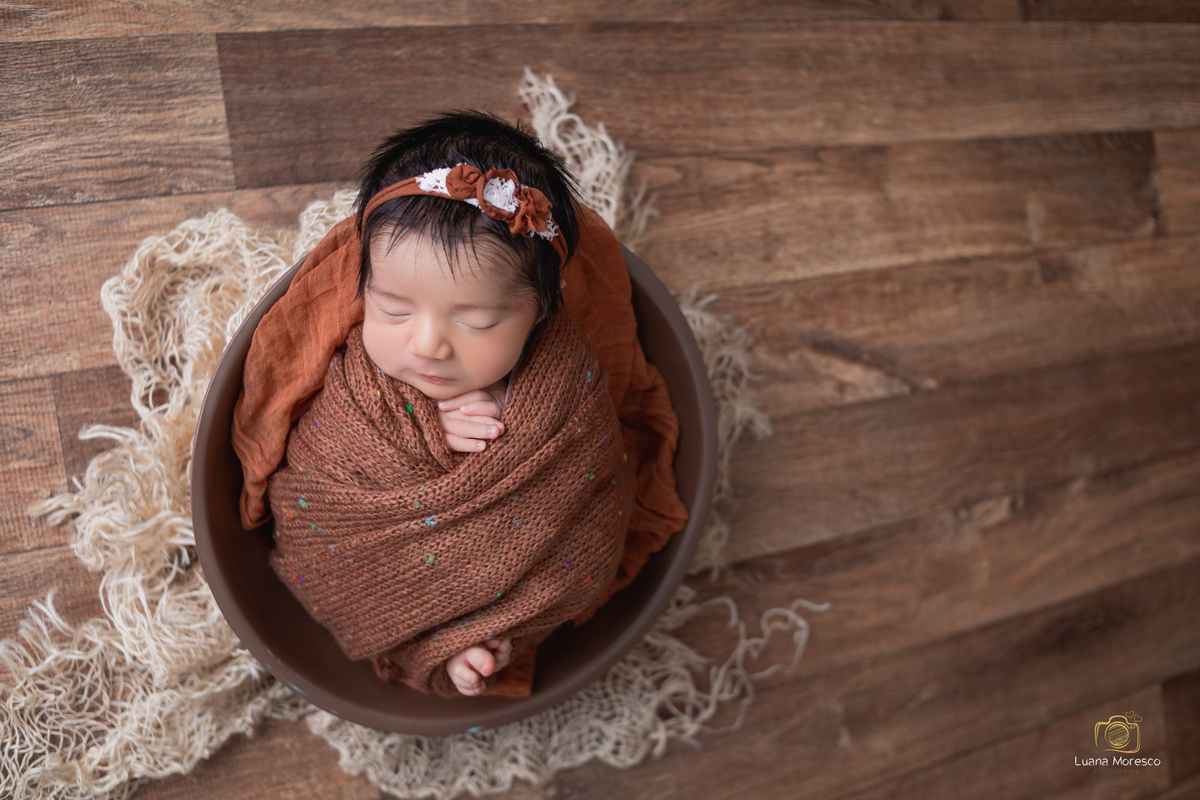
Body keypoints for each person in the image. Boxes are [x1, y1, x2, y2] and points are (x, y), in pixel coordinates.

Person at [233, 112, 688, 698]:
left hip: (525, 565)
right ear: (364, 286)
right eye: (394, 310)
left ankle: (478, 639)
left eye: (476, 322)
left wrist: (507, 417)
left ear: (541, 311)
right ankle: (446, 639)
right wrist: (418, 423)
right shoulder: (356, 375)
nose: (427, 345)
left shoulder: (565, 381)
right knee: (316, 517)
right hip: (349, 542)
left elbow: (591, 470)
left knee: (573, 558)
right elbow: (320, 445)